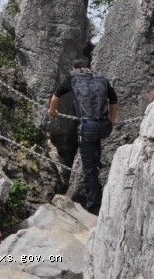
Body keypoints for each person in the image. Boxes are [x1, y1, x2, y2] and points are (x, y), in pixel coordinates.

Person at [48, 57, 118, 214]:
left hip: (87, 127)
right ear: (90, 66)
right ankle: (99, 186)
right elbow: (113, 99)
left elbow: (56, 96)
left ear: (74, 67)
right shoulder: (102, 78)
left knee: (89, 169)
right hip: (103, 127)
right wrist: (111, 121)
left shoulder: (73, 76)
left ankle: (94, 205)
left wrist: (52, 112)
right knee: (95, 155)